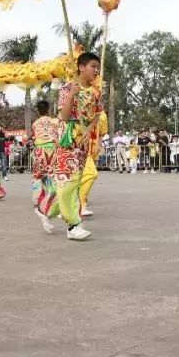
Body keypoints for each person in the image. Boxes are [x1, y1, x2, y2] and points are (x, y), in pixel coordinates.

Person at [50, 52, 102, 242]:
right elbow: (63, 117)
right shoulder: (67, 88)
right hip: (67, 140)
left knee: (75, 182)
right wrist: (72, 94)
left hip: (82, 143)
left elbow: (98, 113)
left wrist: (89, 128)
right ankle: (73, 224)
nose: (96, 71)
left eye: (98, 67)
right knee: (67, 182)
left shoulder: (96, 92)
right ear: (81, 67)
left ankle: (47, 209)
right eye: (93, 66)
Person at [30, 100, 59, 232]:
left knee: (38, 178)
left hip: (38, 152)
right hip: (51, 151)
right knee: (54, 181)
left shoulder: (35, 123)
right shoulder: (54, 121)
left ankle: (38, 202)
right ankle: (45, 209)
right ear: (48, 110)